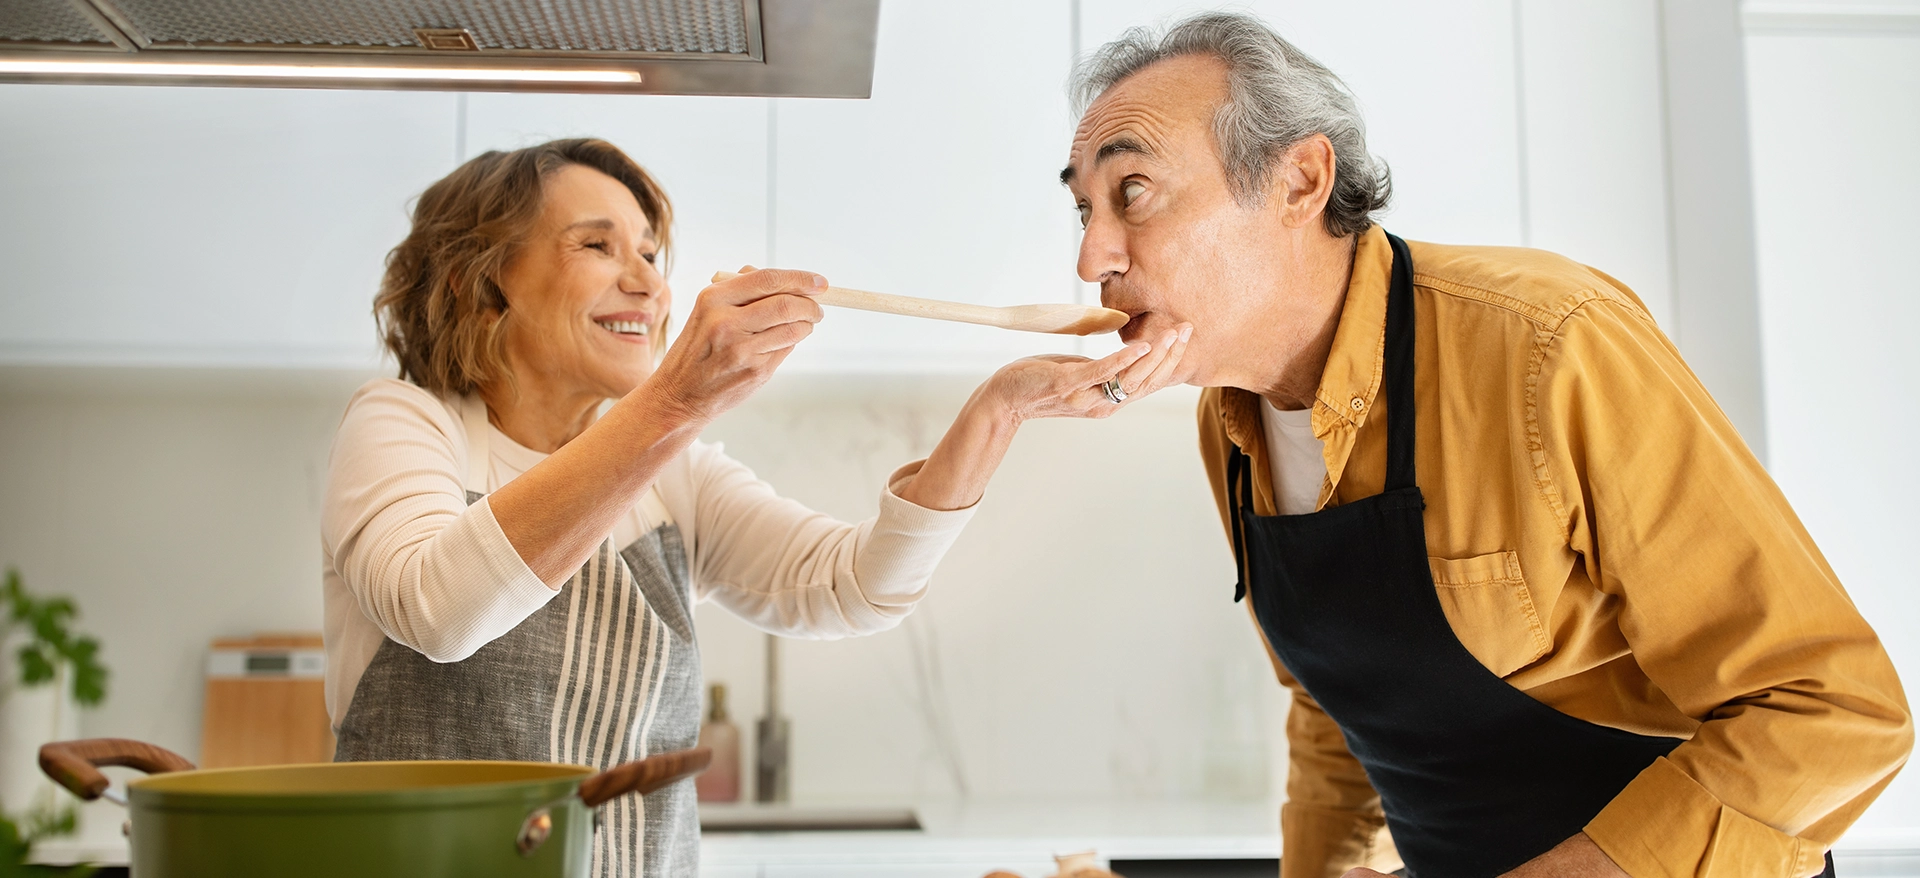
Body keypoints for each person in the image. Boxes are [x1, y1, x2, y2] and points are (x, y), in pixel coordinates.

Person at [1059, 13, 1911, 878]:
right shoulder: (1230, 423)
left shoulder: (1548, 344)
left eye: (1132, 192)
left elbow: (1833, 710)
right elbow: (1335, 721)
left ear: (1299, 180)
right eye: (1083, 208)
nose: (1092, 256)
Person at [320, 138, 1188, 877]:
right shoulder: (407, 424)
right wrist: (671, 405)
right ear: (486, 284)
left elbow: (854, 588)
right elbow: (437, 610)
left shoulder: (674, 472)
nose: (647, 284)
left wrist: (999, 409)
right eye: (598, 245)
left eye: (652, 254)